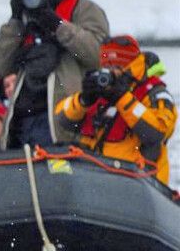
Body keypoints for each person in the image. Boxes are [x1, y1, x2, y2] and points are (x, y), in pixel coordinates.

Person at [0, 0, 109, 149]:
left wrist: (58, 25)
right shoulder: (24, 21)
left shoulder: (83, 9)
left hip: (66, 118)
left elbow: (97, 56)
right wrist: (14, 22)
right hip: (24, 120)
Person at [53, 35, 176, 186]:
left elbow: (156, 133)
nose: (109, 73)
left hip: (139, 183)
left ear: (128, 66)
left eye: (115, 68)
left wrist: (122, 98)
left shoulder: (155, 94)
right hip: (96, 179)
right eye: (106, 68)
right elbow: (62, 119)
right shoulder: (100, 90)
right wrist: (83, 100)